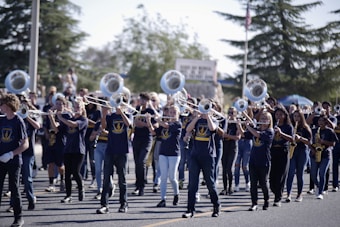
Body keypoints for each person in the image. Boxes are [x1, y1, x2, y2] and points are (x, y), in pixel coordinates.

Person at [182, 105, 220, 218]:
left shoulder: (214, 120)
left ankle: (216, 206)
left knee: (210, 183)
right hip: (195, 155)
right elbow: (188, 129)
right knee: (192, 184)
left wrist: (207, 116)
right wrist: (197, 118)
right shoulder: (197, 120)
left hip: (208, 156)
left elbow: (213, 129)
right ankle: (190, 209)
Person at [50, 97, 88, 203]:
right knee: (67, 174)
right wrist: (51, 117)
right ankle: (68, 195)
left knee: (75, 172)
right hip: (68, 149)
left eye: (78, 107)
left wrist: (60, 117)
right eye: (75, 106)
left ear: (82, 109)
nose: (76, 108)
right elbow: (56, 130)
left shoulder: (83, 120)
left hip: (79, 150)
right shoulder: (69, 118)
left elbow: (73, 125)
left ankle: (81, 189)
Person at [96, 103, 131, 214]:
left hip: (122, 151)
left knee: (122, 179)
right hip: (110, 150)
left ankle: (123, 204)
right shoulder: (111, 117)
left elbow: (128, 124)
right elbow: (103, 127)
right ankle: (104, 205)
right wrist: (104, 114)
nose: (118, 106)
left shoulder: (127, 115)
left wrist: (121, 113)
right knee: (106, 179)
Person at [0, 93, 29, 227]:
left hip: (13, 161)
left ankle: (19, 217)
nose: (1, 106)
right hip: (1, 160)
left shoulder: (18, 121)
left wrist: (11, 154)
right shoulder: (1, 120)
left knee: (14, 188)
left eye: (3, 104)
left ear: (9, 106)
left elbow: (25, 144)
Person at [146, 105, 181, 207]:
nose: (172, 114)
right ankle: (163, 199)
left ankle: (176, 194)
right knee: (164, 177)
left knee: (172, 177)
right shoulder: (163, 124)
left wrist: (158, 119)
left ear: (178, 114)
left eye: (174, 112)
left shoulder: (178, 124)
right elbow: (153, 133)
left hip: (174, 153)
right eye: (170, 112)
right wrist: (148, 121)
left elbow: (167, 127)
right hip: (163, 153)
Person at [240, 111, 274, 211]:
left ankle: (266, 201)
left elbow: (257, 135)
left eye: (265, 119)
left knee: (263, 183)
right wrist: (239, 125)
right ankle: (254, 203)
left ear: (269, 121)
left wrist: (249, 127)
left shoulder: (270, 131)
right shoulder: (256, 129)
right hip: (253, 160)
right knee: (253, 184)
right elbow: (243, 135)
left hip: (264, 161)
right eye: (262, 118)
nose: (263, 121)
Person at [132, 93, 157, 196]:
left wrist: (145, 123)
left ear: (148, 101)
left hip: (147, 139)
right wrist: (147, 124)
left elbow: (155, 125)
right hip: (136, 139)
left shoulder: (150, 111)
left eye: (144, 100)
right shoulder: (137, 109)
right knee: (137, 163)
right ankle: (138, 185)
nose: (142, 102)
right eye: (141, 99)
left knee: (142, 162)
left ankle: (141, 187)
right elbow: (135, 123)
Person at [309, 114, 338, 199]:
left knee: (322, 174)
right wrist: (312, 149)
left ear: (326, 122)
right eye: (319, 121)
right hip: (314, 154)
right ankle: (318, 186)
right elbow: (308, 142)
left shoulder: (329, 131)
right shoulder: (314, 130)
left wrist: (323, 141)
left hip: (325, 154)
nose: (320, 122)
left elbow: (333, 143)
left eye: (322, 121)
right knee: (313, 175)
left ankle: (320, 192)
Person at [286, 109, 312, 202]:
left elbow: (309, 142)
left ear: (301, 117)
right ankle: (288, 194)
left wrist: (300, 138)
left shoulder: (305, 128)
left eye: (298, 116)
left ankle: (299, 194)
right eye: (294, 116)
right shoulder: (291, 127)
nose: (296, 118)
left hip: (302, 151)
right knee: (290, 173)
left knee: (300, 174)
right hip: (293, 150)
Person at [270, 105, 293, 207]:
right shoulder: (272, 125)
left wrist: (281, 133)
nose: (278, 116)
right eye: (276, 114)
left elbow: (292, 139)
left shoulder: (288, 127)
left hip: (283, 151)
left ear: (284, 115)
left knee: (281, 176)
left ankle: (277, 199)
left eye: (280, 114)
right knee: (272, 178)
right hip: (273, 151)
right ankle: (276, 193)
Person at [219, 106, 241, 195]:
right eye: (229, 112)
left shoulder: (237, 123)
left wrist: (226, 136)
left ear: (236, 113)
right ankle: (224, 188)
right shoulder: (225, 122)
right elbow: (221, 132)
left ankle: (230, 187)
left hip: (233, 147)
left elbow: (237, 137)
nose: (231, 114)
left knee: (229, 168)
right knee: (224, 169)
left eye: (233, 112)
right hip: (224, 146)